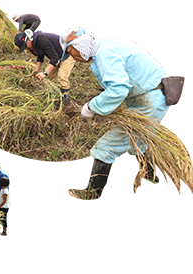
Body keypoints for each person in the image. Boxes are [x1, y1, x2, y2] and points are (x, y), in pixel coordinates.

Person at [60, 28, 168, 197]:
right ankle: (152, 179)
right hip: (150, 97)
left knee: (105, 147)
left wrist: (91, 107)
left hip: (149, 101)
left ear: (78, 44)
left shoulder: (104, 52)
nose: (73, 57)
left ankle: (91, 195)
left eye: (70, 52)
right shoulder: (104, 47)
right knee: (140, 140)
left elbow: (118, 89)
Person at [14, 30, 76, 101]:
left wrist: (44, 72)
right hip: (57, 56)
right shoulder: (34, 43)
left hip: (67, 54)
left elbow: (54, 58)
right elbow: (40, 55)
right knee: (48, 77)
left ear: (28, 39)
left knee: (62, 76)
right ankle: (53, 92)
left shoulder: (42, 40)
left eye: (25, 46)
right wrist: (37, 70)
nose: (26, 48)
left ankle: (63, 98)